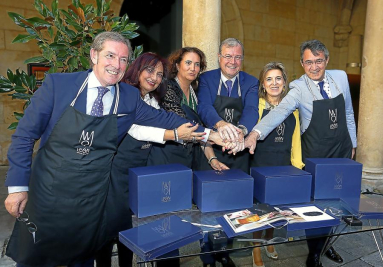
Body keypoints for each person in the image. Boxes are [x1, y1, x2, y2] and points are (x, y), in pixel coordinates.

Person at [3, 32, 210, 267]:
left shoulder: (129, 96)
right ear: (94, 55)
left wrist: (211, 135)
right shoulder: (58, 86)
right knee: (36, 259)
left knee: (81, 259)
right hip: (48, 196)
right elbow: (24, 135)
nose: (116, 65)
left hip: (91, 200)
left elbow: (163, 118)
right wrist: (17, 187)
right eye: (110, 56)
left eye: (123, 59)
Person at [245, 40, 357, 267]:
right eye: (308, 62)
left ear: (326, 60)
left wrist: (353, 143)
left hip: (342, 149)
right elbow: (281, 111)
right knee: (315, 205)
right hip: (315, 151)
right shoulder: (297, 87)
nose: (314, 67)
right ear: (301, 63)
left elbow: (347, 112)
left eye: (318, 61)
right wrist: (255, 133)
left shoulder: (342, 78)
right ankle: (313, 255)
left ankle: (327, 244)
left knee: (337, 201)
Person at [95, 52, 213, 267]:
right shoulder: (124, 94)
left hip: (142, 172)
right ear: (136, 69)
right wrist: (175, 135)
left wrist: (207, 135)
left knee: (130, 230)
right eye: (149, 70)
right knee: (108, 230)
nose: (154, 77)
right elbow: (138, 130)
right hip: (116, 174)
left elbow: (164, 121)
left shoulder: (152, 100)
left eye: (159, 74)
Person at [250, 62, 304, 267]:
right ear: (263, 84)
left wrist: (297, 167)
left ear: (284, 82)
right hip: (260, 163)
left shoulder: (293, 109)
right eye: (269, 79)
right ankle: (255, 248)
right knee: (259, 209)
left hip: (282, 164)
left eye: (278, 78)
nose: (274, 83)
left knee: (276, 208)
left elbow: (295, 140)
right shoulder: (256, 107)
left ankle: (268, 240)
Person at [146, 47, 228, 171]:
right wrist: (213, 135)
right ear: (177, 65)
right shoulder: (167, 88)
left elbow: (199, 126)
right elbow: (182, 121)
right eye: (188, 63)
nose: (193, 68)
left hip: (188, 157)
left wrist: (212, 159)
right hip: (166, 156)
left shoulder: (196, 92)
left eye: (197, 64)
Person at [197, 38, 259, 174]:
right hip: (211, 148)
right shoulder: (206, 79)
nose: (233, 62)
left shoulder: (251, 82)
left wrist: (241, 132)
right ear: (219, 57)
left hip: (239, 148)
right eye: (228, 56)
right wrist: (221, 124)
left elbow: (251, 109)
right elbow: (204, 106)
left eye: (238, 57)